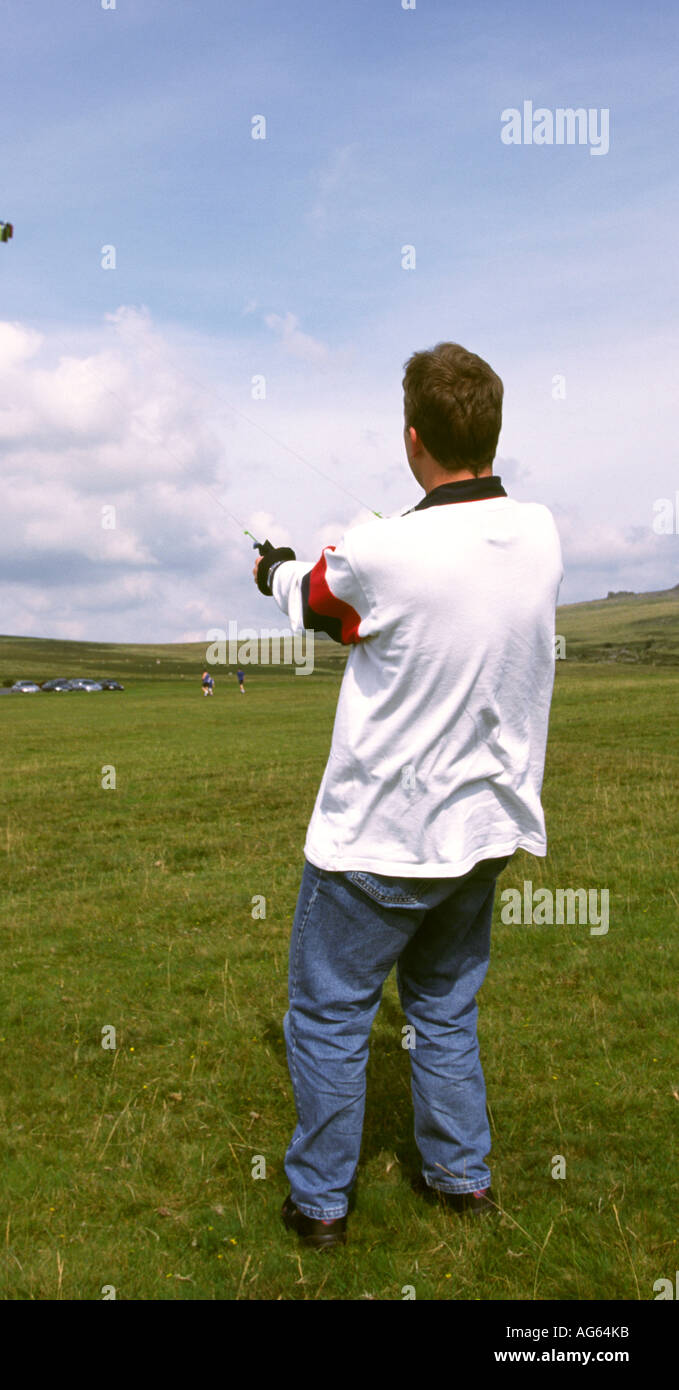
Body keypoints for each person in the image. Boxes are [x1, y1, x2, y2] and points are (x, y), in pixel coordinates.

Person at [253, 342, 563, 1250]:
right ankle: (459, 1178)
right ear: (491, 430)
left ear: (412, 437)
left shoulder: (378, 549)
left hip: (375, 845)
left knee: (326, 1013)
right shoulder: (540, 533)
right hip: (482, 836)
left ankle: (318, 1204)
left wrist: (270, 567)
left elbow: (315, 602)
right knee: (441, 1006)